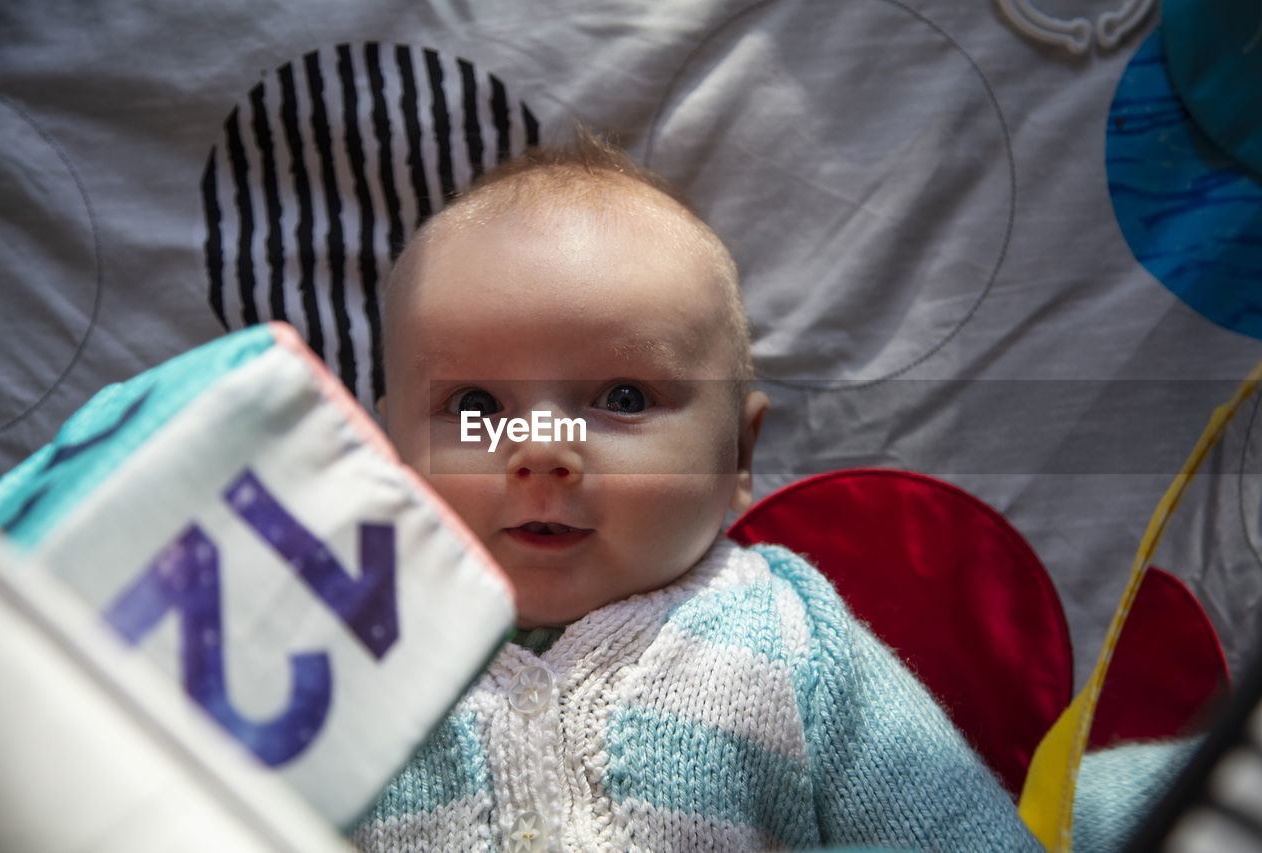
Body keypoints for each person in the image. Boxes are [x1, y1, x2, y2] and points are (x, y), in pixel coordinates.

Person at [355, 130, 1045, 851]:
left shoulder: (793, 638)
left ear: (737, 454)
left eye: (622, 397)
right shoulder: (343, 641)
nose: (541, 451)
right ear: (383, 454)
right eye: (474, 407)